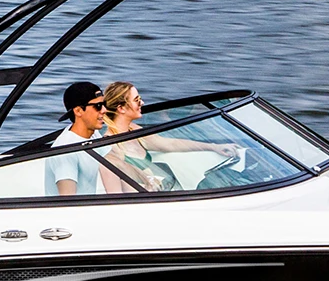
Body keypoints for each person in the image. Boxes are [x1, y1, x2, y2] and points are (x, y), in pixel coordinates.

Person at [98, 81, 242, 191]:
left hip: (169, 188)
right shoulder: (111, 145)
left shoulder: (134, 130)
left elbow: (170, 144)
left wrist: (214, 147)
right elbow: (120, 188)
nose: (142, 103)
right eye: (137, 100)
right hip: (156, 199)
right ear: (121, 108)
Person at [44, 80, 121, 196]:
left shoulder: (93, 134)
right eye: (98, 106)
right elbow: (68, 201)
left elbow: (115, 162)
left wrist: (145, 178)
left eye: (104, 104)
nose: (104, 110)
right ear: (78, 111)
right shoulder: (66, 150)